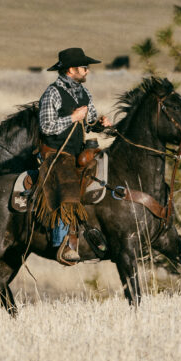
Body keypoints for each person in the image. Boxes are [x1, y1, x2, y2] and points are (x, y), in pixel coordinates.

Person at [38, 46, 112, 264]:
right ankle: (62, 242)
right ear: (71, 70)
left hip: (79, 151)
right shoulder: (52, 92)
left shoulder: (83, 92)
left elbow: (88, 123)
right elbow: (46, 127)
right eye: (84, 67)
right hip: (56, 153)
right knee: (68, 186)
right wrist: (72, 118)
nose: (87, 71)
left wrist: (99, 124)